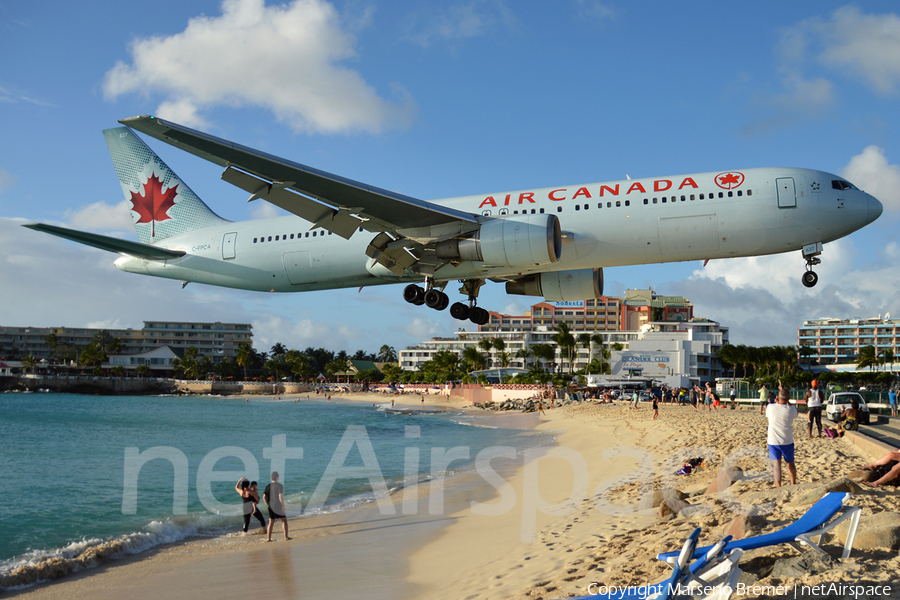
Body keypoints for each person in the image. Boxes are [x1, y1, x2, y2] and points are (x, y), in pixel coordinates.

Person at [767, 385, 798, 487]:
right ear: (788, 399)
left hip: (773, 441)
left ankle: (778, 486)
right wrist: (786, 401)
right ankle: (793, 484)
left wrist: (777, 400)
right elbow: (791, 409)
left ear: (777, 397)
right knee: (790, 464)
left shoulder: (770, 407)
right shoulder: (792, 409)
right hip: (787, 440)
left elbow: (774, 407)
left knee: (776, 466)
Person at [264, 471, 291, 542]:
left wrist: (268, 504)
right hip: (278, 505)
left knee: (271, 523)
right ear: (277, 477)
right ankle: (285, 537)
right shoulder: (279, 485)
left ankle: (268, 539)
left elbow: (264, 497)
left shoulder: (268, 486)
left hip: (271, 506)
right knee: (284, 521)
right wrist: (283, 506)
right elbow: (280, 496)